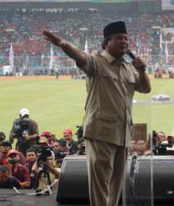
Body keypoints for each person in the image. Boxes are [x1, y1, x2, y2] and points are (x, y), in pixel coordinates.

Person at [43, 21, 151, 206]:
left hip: (122, 133)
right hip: (101, 132)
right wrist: (63, 44)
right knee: (100, 185)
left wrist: (141, 71)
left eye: (126, 38)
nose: (124, 41)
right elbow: (80, 57)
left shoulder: (127, 68)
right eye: (119, 38)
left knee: (116, 185)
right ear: (107, 42)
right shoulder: (97, 62)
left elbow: (145, 88)